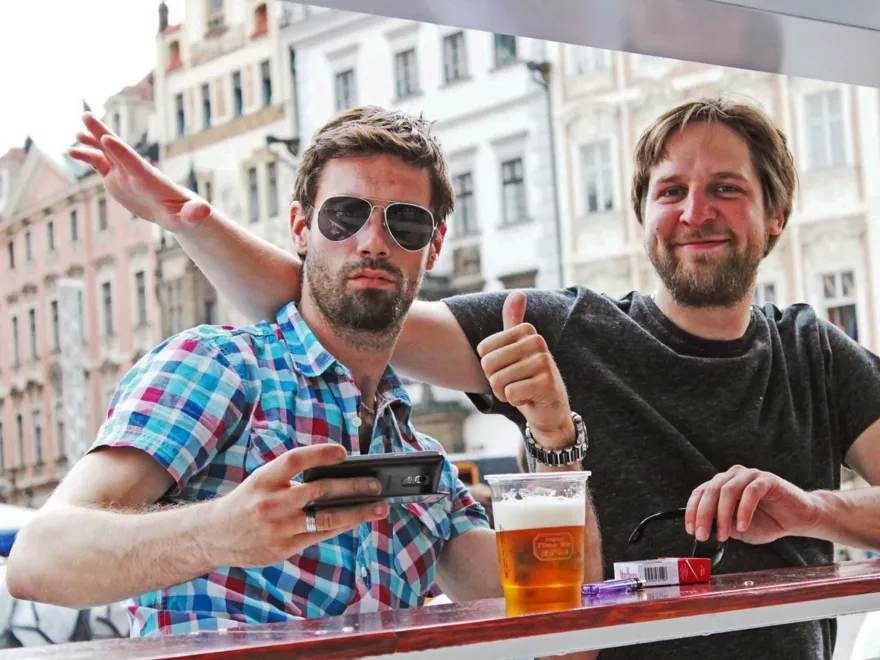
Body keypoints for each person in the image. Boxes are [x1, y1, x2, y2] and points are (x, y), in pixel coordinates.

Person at [118, 96, 880, 659]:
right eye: (671, 190)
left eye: (727, 189)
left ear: (776, 213)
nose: (695, 212)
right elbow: (354, 298)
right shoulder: (564, 328)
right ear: (641, 214)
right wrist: (188, 220)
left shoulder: (814, 352)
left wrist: (813, 512)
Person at [5, 106, 602, 640]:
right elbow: (38, 561)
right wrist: (219, 532)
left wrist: (553, 436)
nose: (372, 240)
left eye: (407, 224)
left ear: (434, 244)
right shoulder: (222, 368)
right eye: (344, 215)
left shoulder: (422, 465)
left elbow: (557, 620)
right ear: (300, 227)